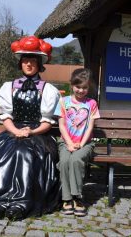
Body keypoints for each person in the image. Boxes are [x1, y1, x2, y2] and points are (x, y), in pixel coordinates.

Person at [0, 36, 61, 221]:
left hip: (39, 133)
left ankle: (22, 203)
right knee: (4, 151)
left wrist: (31, 132)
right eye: (26, 61)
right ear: (21, 63)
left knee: (25, 153)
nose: (29, 64)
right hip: (13, 130)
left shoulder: (48, 89)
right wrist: (15, 131)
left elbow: (47, 122)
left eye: (33, 61)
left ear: (39, 64)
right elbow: (6, 117)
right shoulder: (9, 87)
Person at [54, 68, 100, 217]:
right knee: (65, 160)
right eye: (78, 87)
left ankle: (78, 197)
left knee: (76, 160)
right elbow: (61, 125)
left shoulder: (92, 103)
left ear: (89, 87)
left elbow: (90, 127)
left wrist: (81, 143)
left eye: (84, 87)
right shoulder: (63, 102)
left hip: (85, 143)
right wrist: (68, 143)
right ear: (72, 85)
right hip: (65, 141)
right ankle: (66, 198)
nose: (81, 90)